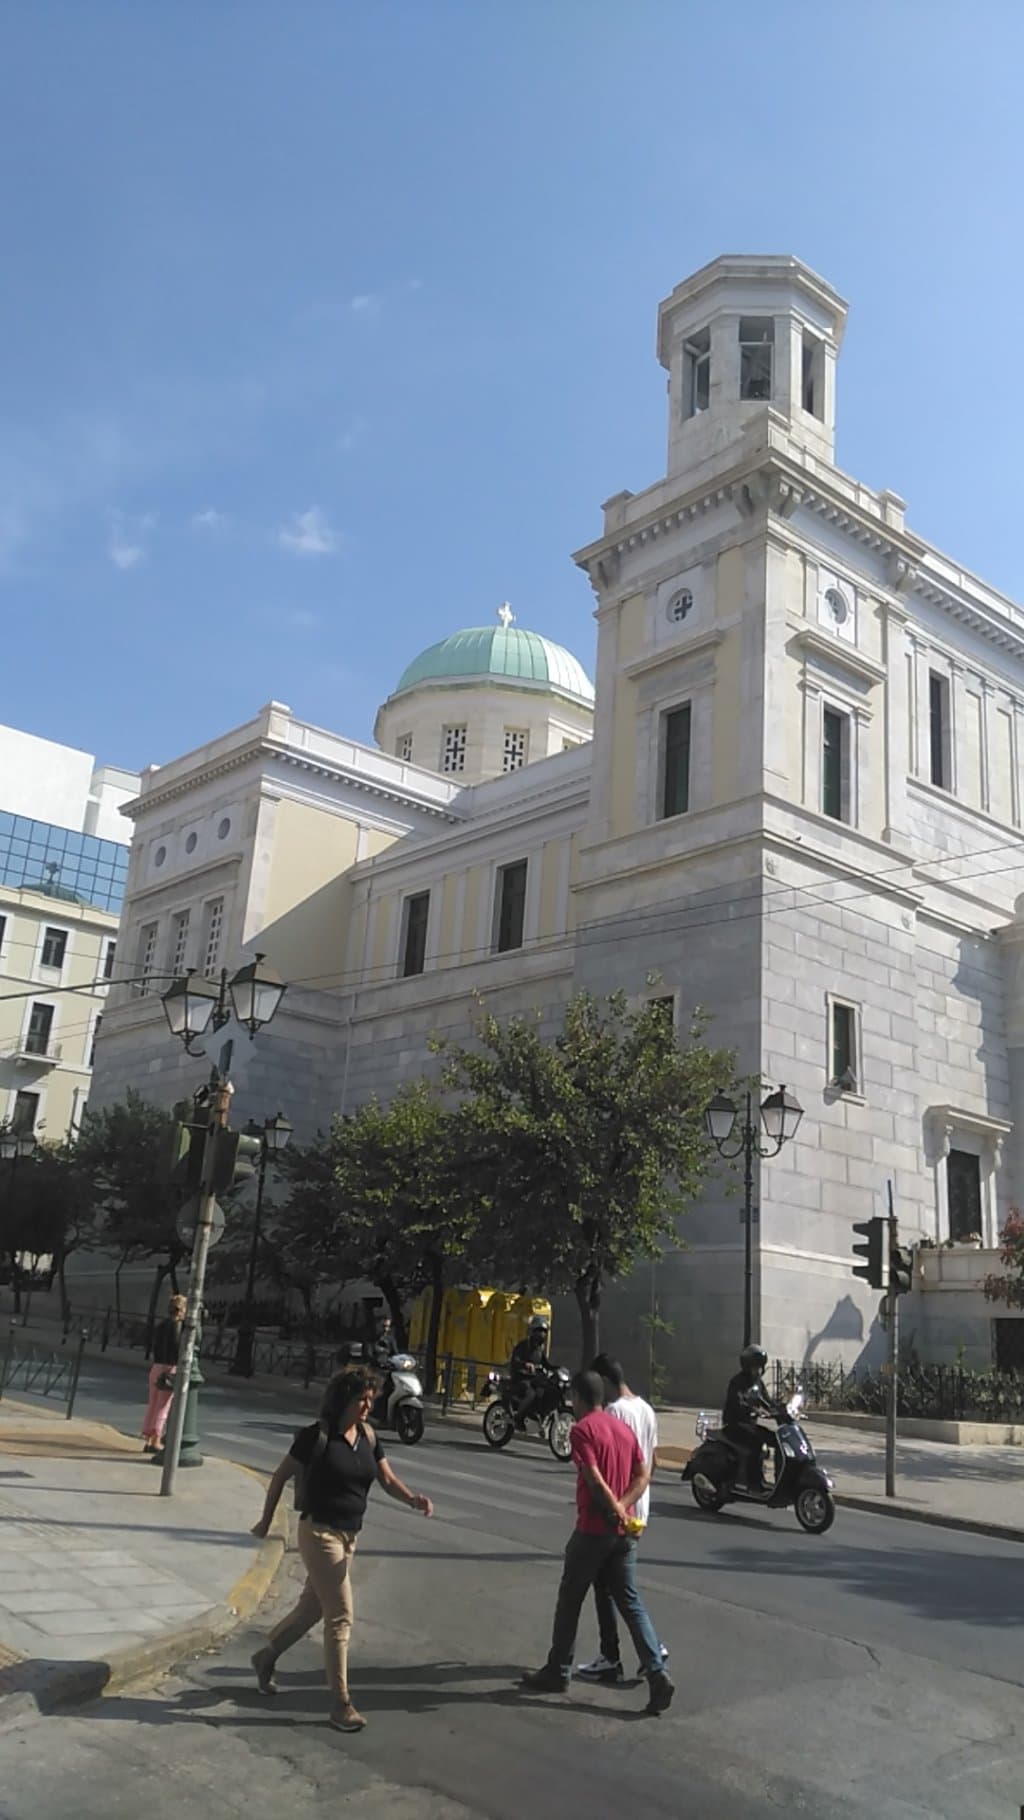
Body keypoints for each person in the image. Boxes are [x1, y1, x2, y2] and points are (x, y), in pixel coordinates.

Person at [249, 1364, 434, 1732]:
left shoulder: (366, 1435)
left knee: (311, 1609)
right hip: (319, 1533)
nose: (367, 1406)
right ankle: (340, 1704)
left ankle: (266, 1656)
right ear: (343, 1400)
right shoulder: (315, 1436)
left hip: (350, 1536)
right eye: (361, 1400)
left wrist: (413, 1499)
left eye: (370, 1399)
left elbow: (386, 1478)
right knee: (341, 1615)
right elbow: (281, 1476)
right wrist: (267, 1520)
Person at [519, 1370, 674, 1714]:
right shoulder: (623, 1430)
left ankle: (558, 1670)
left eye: (572, 1398)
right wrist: (626, 1505)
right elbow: (644, 1474)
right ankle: (657, 1672)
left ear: (578, 1397)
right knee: (631, 1603)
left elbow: (593, 1477)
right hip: (623, 1535)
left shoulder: (582, 1430)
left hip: (593, 1529)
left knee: (570, 1598)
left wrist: (614, 1507)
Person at [576, 1353, 667, 1684]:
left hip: (616, 1507)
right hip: (639, 1506)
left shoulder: (614, 1412)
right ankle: (645, 1651)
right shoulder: (647, 1409)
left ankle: (625, 1653)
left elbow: (612, 1461)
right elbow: (651, 1462)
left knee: (613, 1587)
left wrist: (615, 1504)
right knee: (617, 1583)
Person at [722, 1343, 775, 1490]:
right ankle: (754, 1483)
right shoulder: (737, 1382)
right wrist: (753, 1409)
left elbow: (767, 1401)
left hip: (749, 1425)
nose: (757, 1370)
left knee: (776, 1440)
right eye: (755, 1366)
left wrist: (782, 1409)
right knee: (756, 1443)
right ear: (746, 1366)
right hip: (734, 1425)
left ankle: (778, 1481)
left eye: (760, 1367)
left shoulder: (758, 1383)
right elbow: (737, 1402)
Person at [141, 1292, 185, 1453]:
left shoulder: (161, 1325)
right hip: (170, 1368)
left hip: (156, 1367)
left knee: (152, 1404)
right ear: (181, 1310)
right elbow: (178, 1348)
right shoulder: (180, 1327)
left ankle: (147, 1439)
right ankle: (156, 1441)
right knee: (163, 1407)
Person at [509, 1314, 551, 1429]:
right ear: (532, 1331)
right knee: (530, 1393)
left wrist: (558, 1370)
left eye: (543, 1331)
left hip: (533, 1379)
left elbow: (546, 1364)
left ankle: (536, 1414)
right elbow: (515, 1360)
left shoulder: (539, 1350)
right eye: (539, 1331)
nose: (541, 1334)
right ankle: (518, 1418)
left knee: (543, 1390)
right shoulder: (523, 1345)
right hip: (520, 1377)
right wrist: (525, 1364)